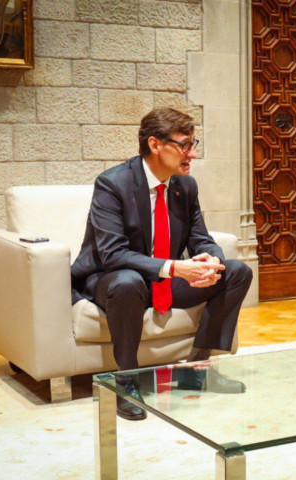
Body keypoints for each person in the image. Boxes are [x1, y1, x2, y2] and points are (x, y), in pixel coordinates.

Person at [70, 108, 253, 420]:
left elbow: (200, 238)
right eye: (184, 145)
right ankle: (126, 382)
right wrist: (175, 267)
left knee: (236, 272)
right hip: (111, 279)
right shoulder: (113, 184)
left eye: (194, 144)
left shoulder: (185, 186)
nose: (192, 154)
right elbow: (113, 254)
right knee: (128, 281)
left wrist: (211, 259)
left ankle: (196, 368)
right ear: (155, 145)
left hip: (160, 281)